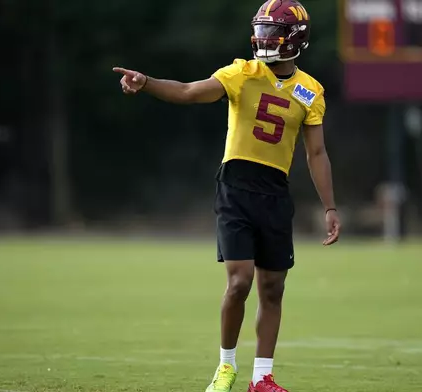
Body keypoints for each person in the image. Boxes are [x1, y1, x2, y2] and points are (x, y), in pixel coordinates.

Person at [113, 1, 340, 390]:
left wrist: (330, 206)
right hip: (235, 186)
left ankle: (262, 378)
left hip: (274, 191)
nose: (264, 39)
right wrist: (147, 82)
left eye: (273, 32)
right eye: (262, 30)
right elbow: (188, 92)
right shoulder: (242, 72)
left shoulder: (310, 91)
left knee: (273, 287)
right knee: (240, 282)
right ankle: (226, 366)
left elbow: (316, 153)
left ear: (295, 39)